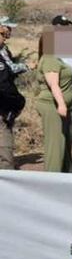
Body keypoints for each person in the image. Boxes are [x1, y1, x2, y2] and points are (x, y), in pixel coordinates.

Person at [36, 39, 72, 173]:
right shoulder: (50, 59)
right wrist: (61, 105)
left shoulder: (56, 58)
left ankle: (65, 173)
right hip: (52, 106)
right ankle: (52, 176)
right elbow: (53, 85)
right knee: (55, 144)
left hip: (60, 106)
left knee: (64, 142)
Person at [0, 18, 28, 169]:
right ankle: (7, 166)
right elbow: (6, 74)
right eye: (4, 32)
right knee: (5, 130)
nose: (8, 34)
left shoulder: (4, 49)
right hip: (4, 99)